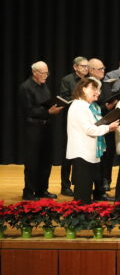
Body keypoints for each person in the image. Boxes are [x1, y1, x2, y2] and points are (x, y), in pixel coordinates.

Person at [66, 78, 120, 204]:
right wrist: (108, 128)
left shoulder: (86, 106)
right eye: (93, 89)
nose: (97, 92)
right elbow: (89, 129)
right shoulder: (79, 106)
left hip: (88, 153)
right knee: (82, 193)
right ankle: (80, 214)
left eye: (98, 90)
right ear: (83, 89)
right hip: (82, 153)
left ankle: (84, 213)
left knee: (86, 191)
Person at [18, 61, 64, 200]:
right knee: (32, 162)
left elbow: (46, 104)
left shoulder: (44, 86)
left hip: (46, 127)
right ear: (34, 72)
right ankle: (28, 192)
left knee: (46, 160)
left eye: (47, 73)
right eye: (43, 73)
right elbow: (28, 110)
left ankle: (42, 190)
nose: (45, 76)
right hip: (33, 128)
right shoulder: (25, 87)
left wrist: (54, 107)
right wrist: (48, 111)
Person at [59, 56, 89, 197]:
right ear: (75, 67)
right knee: (68, 155)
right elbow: (64, 98)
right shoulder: (67, 80)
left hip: (85, 120)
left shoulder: (89, 80)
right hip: (71, 121)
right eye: (83, 66)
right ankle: (65, 186)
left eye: (87, 66)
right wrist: (79, 99)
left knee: (81, 154)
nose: (86, 68)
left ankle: (79, 183)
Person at [88, 58, 119, 194]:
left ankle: (105, 182)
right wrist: (105, 107)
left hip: (108, 124)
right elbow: (90, 107)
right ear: (91, 70)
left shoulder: (105, 85)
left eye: (103, 68)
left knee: (108, 156)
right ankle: (96, 186)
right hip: (96, 126)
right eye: (100, 69)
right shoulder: (88, 85)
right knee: (97, 159)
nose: (103, 71)